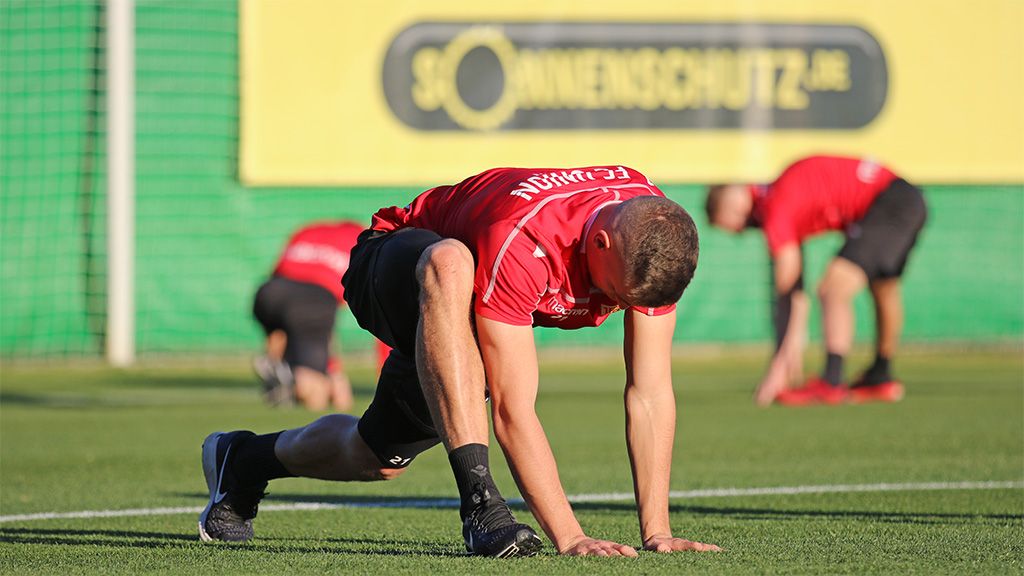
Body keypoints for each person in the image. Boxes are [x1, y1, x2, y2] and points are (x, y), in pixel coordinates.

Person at [200, 165, 720, 558]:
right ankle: (481, 506)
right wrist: (571, 536)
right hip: (394, 263)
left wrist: (657, 531)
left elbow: (649, 393)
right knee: (451, 261)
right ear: (600, 242)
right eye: (618, 295)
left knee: (376, 456)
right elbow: (513, 409)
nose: (621, 307)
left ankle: (243, 460)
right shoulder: (525, 240)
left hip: (465, 307)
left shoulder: (653, 236)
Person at [705, 155, 927, 406]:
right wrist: (788, 354)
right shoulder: (780, 195)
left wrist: (779, 366)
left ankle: (831, 382)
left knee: (833, 289)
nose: (741, 231)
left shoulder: (775, 209)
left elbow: (789, 292)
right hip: (905, 197)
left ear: (735, 204)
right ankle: (880, 375)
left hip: (889, 202)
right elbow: (794, 287)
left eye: (737, 226)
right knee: (883, 286)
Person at [251, 220, 365, 411]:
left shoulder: (308, 231)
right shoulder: (361, 239)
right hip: (314, 300)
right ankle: (295, 382)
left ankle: (277, 365)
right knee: (316, 389)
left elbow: (277, 274)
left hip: (269, 293)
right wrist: (332, 368)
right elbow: (325, 328)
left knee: (286, 326)